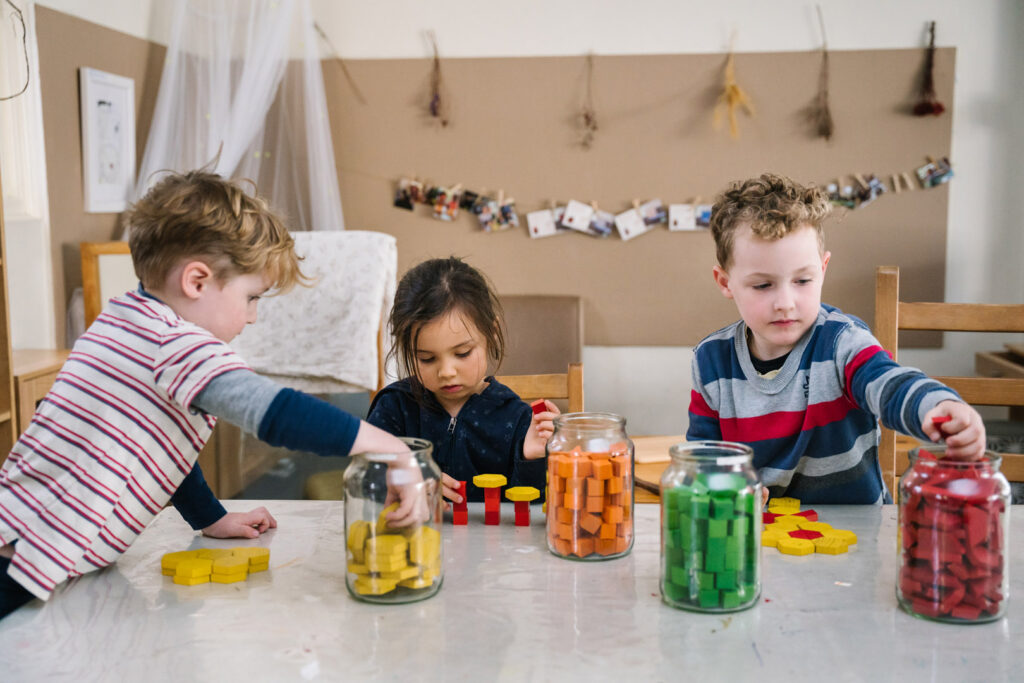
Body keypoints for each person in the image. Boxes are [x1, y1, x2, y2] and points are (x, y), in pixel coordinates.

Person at [0, 170, 419, 621]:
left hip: (26, 543)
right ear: (197, 282)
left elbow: (156, 449)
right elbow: (275, 413)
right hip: (23, 554)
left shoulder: (123, 320)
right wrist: (389, 446)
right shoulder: (175, 343)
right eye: (252, 297)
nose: (254, 317)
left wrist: (209, 517)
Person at [687, 173, 986, 504]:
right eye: (763, 285)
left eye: (803, 280)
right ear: (725, 282)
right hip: (765, 533)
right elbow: (704, 455)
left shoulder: (842, 341)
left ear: (823, 269)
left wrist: (937, 406)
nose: (785, 302)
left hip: (858, 532)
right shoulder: (710, 361)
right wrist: (725, 488)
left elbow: (889, 384)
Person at [368, 257, 558, 504]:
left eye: (462, 353)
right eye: (426, 358)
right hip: (416, 538)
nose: (446, 371)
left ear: (492, 334)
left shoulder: (517, 418)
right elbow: (367, 485)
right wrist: (404, 485)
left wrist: (533, 459)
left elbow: (529, 514)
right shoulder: (394, 408)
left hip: (493, 542)